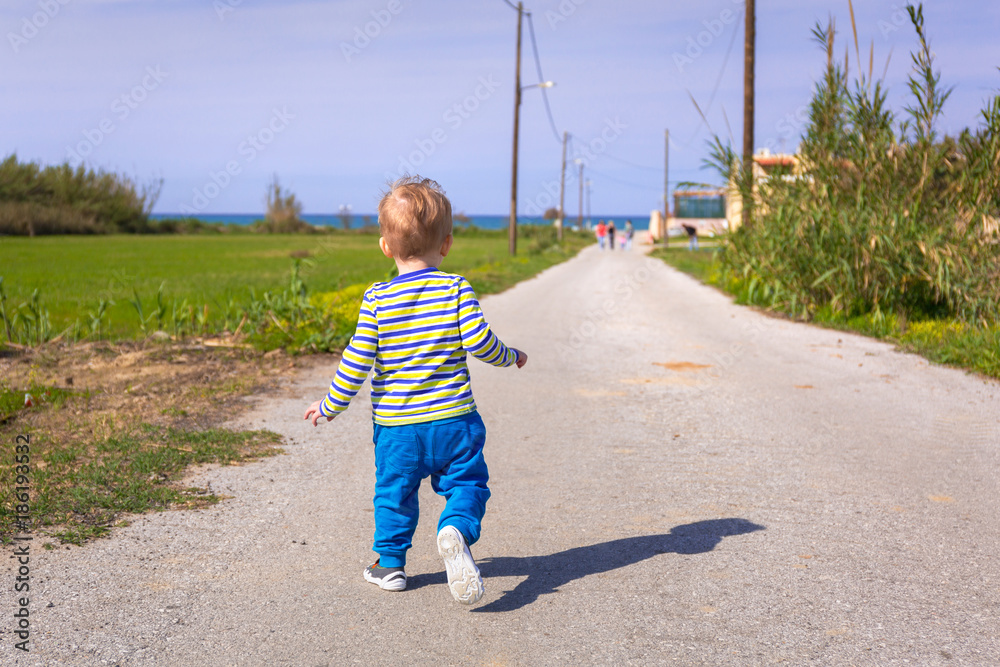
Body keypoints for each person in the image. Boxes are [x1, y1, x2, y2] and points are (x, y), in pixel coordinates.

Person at [303, 176, 528, 605]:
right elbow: (481, 343)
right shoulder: (456, 288)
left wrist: (330, 405)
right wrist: (510, 355)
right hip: (454, 421)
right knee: (466, 483)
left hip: (397, 428)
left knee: (394, 492)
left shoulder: (375, 299)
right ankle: (455, 529)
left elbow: (356, 362)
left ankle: (389, 566)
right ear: (446, 245)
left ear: (385, 247)